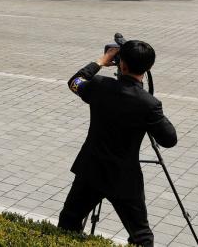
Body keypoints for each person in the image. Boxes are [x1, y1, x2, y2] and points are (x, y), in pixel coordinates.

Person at [58, 40, 177, 247]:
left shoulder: (99, 85)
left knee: (69, 221)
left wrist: (100, 62)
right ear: (149, 68)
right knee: (141, 236)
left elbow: (75, 82)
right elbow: (169, 139)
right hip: (124, 177)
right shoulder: (149, 104)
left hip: (91, 169)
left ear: (120, 64)